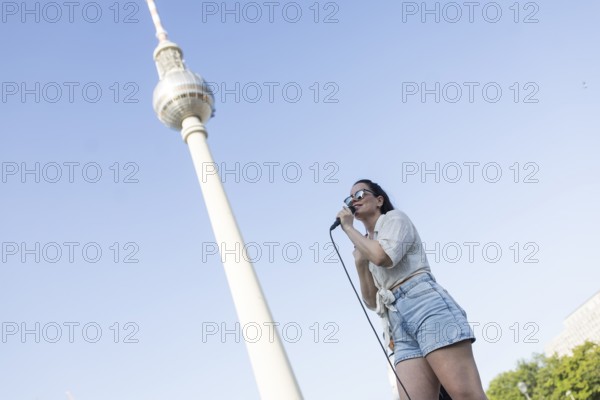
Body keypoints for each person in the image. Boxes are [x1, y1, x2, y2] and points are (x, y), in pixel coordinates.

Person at [336, 179, 488, 400]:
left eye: (359, 195)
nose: (354, 202)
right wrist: (360, 263)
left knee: (464, 393)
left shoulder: (395, 219)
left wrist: (348, 228)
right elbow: (371, 301)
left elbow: (382, 257)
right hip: (397, 322)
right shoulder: (365, 246)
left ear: (379, 200)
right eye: (350, 199)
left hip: (424, 305)